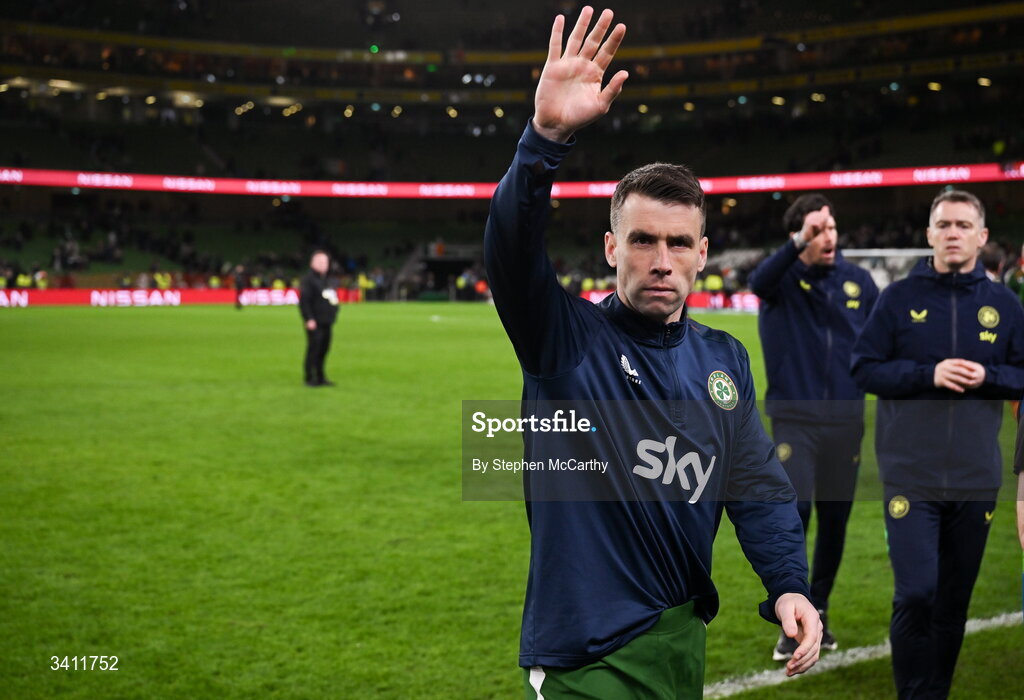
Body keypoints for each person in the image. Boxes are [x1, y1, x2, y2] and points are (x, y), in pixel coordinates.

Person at [483, 8, 821, 698]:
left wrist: (788, 584)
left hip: (680, 643)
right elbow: (512, 257)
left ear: (703, 255)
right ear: (612, 249)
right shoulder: (567, 342)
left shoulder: (724, 361)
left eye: (676, 244)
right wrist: (543, 140)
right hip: (590, 656)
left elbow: (755, 486)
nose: (660, 261)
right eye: (642, 241)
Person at [851, 189, 1024, 699]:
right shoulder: (899, 298)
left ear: (982, 237)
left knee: (952, 603)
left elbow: (1021, 375)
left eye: (963, 226)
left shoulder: (1004, 305)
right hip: (912, 475)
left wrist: (987, 375)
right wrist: (929, 373)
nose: (953, 233)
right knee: (916, 594)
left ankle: (935, 693)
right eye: (944, 224)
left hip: (975, 476)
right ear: (929, 234)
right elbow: (864, 367)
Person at [747, 194, 879, 660]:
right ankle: (792, 612)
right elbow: (756, 280)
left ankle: (817, 608)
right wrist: (797, 244)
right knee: (796, 510)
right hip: (794, 420)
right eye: (816, 230)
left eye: (831, 228)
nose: (828, 237)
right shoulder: (781, 280)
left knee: (836, 520)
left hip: (846, 423)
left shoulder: (859, 282)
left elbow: (882, 342)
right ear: (797, 237)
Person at [298, 250, 339, 387]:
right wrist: (308, 318)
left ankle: (321, 377)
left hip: (327, 321)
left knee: (324, 350)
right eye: (320, 262)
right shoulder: (309, 280)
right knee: (314, 349)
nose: (323, 265)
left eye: (325, 262)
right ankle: (309, 378)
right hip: (315, 322)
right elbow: (304, 301)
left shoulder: (326, 280)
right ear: (313, 263)